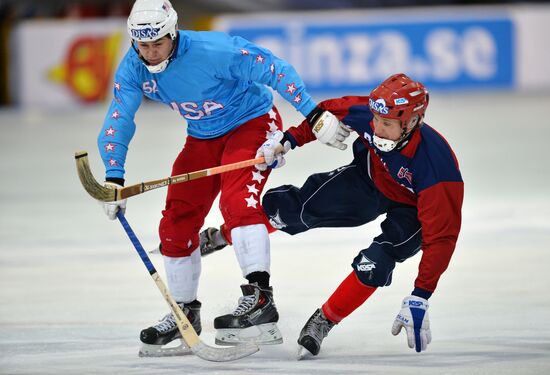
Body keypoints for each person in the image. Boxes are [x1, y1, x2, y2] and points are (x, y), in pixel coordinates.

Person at [97, 0, 350, 356]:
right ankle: (185, 311)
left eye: (157, 43)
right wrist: (113, 175)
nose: (150, 53)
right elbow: (119, 116)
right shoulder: (133, 67)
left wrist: (313, 113)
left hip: (252, 122)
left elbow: (272, 67)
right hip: (202, 135)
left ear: (173, 33)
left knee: (237, 203)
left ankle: (260, 299)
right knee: (176, 218)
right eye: (143, 45)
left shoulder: (213, 50)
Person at [201, 73, 464, 357]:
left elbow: (442, 238)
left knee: (375, 264)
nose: (377, 129)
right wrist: (289, 140)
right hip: (368, 181)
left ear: (413, 122)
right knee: (288, 210)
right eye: (376, 120)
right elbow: (327, 112)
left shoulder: (438, 169)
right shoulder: (372, 114)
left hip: (412, 211)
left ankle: (324, 321)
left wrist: (421, 294)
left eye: (387, 124)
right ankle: (225, 235)